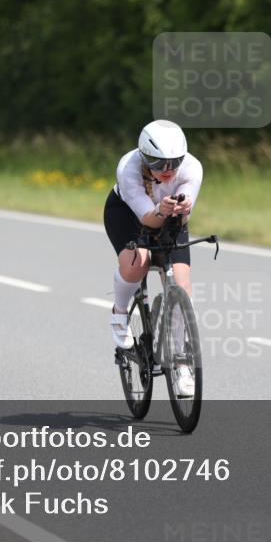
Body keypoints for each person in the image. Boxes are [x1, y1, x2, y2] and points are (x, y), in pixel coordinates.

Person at [103, 119, 203, 397]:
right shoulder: (129, 167)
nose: (168, 170)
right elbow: (147, 217)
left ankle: (182, 362)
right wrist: (160, 210)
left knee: (182, 286)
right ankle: (120, 314)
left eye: (175, 162)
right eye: (159, 164)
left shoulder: (193, 168)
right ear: (145, 157)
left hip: (168, 217)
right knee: (138, 264)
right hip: (128, 214)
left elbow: (185, 215)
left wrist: (182, 209)